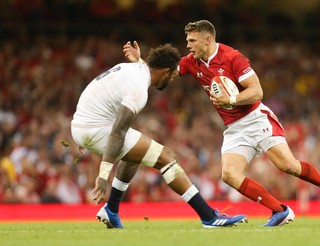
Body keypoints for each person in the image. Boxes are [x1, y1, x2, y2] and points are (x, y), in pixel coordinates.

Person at [122, 20, 320, 226]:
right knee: (229, 175)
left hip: (256, 119)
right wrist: (139, 62)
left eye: (192, 40)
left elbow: (257, 91)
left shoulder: (232, 57)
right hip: (235, 128)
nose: (188, 45)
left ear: (207, 39)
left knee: (288, 166)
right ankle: (280, 211)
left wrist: (231, 99)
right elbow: (164, 74)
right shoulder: (192, 62)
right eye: (188, 41)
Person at [71, 43, 247, 228]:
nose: (171, 79)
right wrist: (103, 174)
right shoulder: (138, 90)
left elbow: (144, 71)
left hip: (82, 124)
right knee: (167, 157)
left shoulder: (136, 69)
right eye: (171, 75)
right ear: (164, 71)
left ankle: (111, 210)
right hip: (96, 129)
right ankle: (209, 217)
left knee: (135, 154)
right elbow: (118, 131)